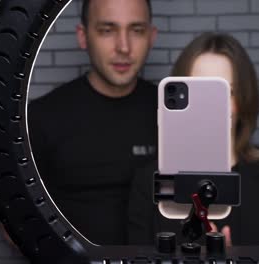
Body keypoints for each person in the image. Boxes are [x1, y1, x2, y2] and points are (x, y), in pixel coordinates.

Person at [127, 32, 259, 246]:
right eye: (201, 92)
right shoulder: (149, 181)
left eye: (225, 92)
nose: (211, 107)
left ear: (244, 98)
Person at [28, 0, 158, 245]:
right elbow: (14, 222)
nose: (124, 47)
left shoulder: (170, 114)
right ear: (83, 36)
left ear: (151, 37)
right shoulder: (43, 116)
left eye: (137, 30)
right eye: (107, 30)